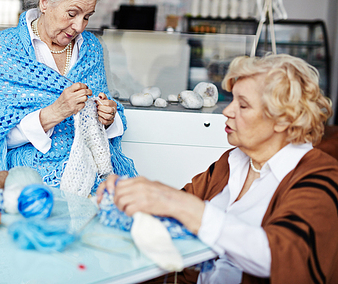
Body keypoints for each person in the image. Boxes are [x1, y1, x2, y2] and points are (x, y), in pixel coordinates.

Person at [97, 54, 338, 283]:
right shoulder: (234, 160)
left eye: (243, 106)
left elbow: (284, 258)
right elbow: (175, 212)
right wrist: (128, 195)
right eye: (232, 100)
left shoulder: (321, 176)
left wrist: (177, 204)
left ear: (284, 119)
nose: (227, 111)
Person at [0, 0, 137, 195]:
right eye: (72, 13)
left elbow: (96, 123)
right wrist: (54, 113)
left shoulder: (91, 49)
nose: (79, 26)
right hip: (28, 181)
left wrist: (107, 117)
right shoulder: (4, 48)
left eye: (87, 16)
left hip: (90, 177)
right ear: (45, 3)